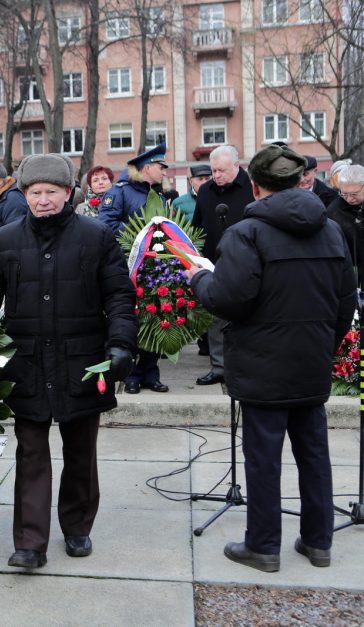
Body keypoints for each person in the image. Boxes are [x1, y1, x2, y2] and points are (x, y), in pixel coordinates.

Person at [186, 145, 355, 573]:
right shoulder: (331, 229)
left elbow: (228, 301)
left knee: (263, 459)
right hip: (310, 360)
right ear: (301, 180)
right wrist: (324, 346)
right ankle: (318, 542)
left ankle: (262, 546)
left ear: (256, 186)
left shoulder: (248, 233)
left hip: (262, 365)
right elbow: (343, 303)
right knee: (314, 453)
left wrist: (200, 277)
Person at [0, 153, 137, 569]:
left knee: (81, 451)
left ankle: (78, 527)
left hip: (82, 362)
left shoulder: (96, 237)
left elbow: (119, 295)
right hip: (25, 363)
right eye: (34, 192)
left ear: (68, 192)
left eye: (51, 192)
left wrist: (121, 344)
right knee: (30, 453)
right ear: (24, 194)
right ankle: (29, 542)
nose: (43, 200)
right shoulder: (6, 240)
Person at [99, 143, 171, 394]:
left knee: (157, 316)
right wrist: (140, 236)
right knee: (135, 318)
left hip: (156, 267)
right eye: (161, 167)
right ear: (147, 167)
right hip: (129, 266)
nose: (165, 172)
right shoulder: (120, 192)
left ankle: (151, 372)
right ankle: (132, 374)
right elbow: (106, 223)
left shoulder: (159, 194)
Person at [192, 145, 254, 387]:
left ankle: (243, 366)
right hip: (212, 262)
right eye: (213, 170)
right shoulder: (206, 190)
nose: (216, 175)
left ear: (237, 167)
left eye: (221, 170)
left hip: (246, 261)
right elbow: (197, 224)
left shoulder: (251, 188)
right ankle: (219, 367)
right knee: (215, 317)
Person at [325, 164, 364, 285]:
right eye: (344, 194)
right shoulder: (333, 211)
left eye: (354, 194)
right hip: (353, 275)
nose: (349, 199)